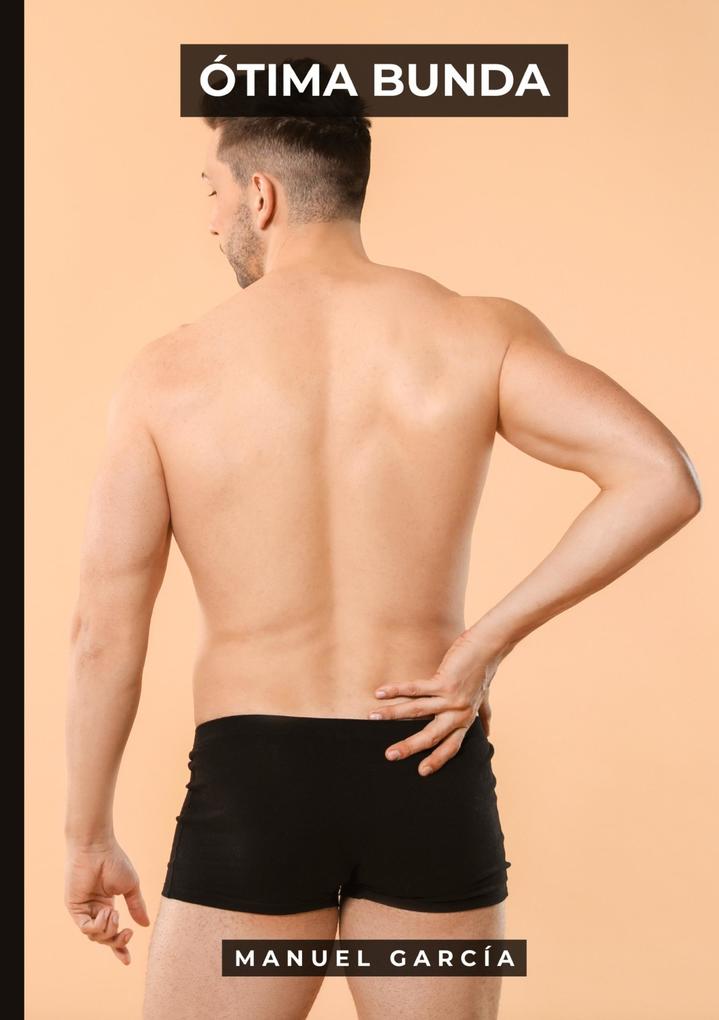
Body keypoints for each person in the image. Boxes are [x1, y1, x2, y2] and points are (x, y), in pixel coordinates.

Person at [64, 106, 702, 1020]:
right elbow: (661, 478)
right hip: (424, 766)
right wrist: (483, 645)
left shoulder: (168, 373)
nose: (210, 219)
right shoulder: (475, 332)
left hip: (257, 783)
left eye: (212, 192)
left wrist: (88, 836)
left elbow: (101, 632)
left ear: (260, 195)